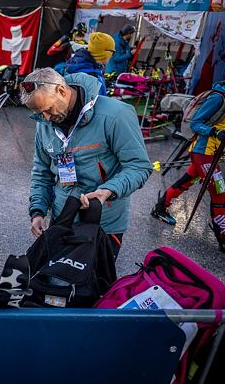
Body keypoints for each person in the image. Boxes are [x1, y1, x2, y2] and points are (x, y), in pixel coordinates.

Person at [23, 67, 151, 259]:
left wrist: (107, 191)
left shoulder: (116, 115)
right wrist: (38, 211)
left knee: (92, 285)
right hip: (62, 218)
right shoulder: (44, 123)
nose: (46, 118)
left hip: (102, 223)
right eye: (40, 113)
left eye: (48, 109)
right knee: (56, 282)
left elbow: (139, 167)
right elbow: (42, 172)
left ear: (62, 90)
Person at [151, 80, 225, 253]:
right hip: (203, 152)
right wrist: (215, 132)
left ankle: (160, 208)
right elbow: (196, 123)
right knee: (220, 191)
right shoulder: (218, 99)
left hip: (213, 153)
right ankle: (223, 236)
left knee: (186, 181)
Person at [65, 32, 114, 96]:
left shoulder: (79, 64)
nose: (111, 56)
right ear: (103, 54)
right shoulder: (93, 78)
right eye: (112, 53)